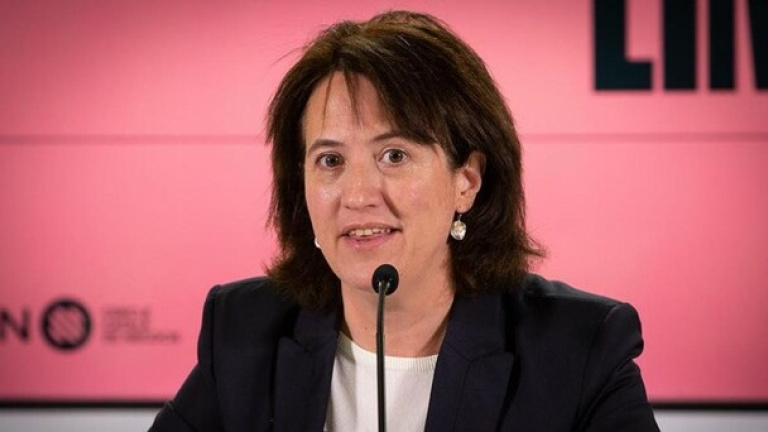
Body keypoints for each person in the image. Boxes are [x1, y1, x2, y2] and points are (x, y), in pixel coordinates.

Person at [149, 10, 659, 432]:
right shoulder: (243, 332)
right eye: (330, 160)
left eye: (394, 155)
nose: (357, 195)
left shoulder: (579, 350)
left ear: (467, 181)